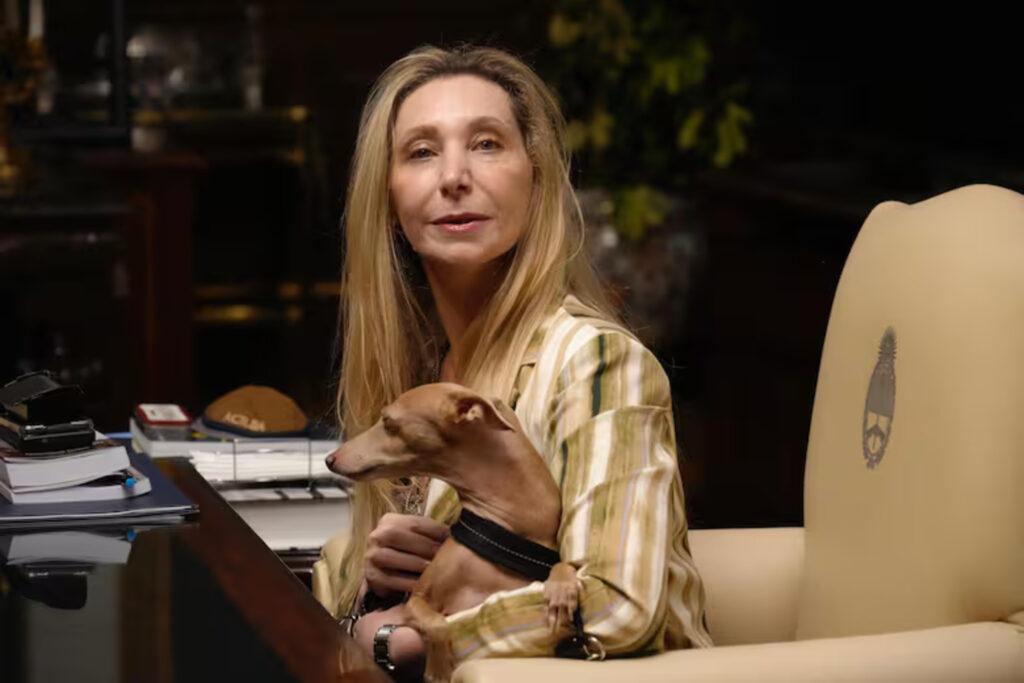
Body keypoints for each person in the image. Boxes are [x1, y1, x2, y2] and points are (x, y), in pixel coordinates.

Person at [331, 44, 712, 677]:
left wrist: (415, 637)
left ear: (536, 182)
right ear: (390, 201)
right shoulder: (418, 375)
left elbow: (618, 609)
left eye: (486, 144)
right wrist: (375, 591)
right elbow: (342, 592)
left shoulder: (597, 363)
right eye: (422, 152)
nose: (454, 177)